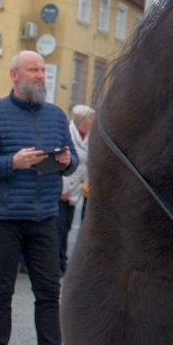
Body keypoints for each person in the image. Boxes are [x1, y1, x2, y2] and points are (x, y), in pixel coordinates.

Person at [0, 51, 78, 345]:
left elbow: (69, 161)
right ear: (14, 75)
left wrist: (66, 161)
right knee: (1, 292)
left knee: (49, 294)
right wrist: (13, 162)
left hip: (44, 217)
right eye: (33, 70)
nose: (40, 75)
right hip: (3, 218)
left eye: (42, 70)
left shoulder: (55, 116)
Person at [56, 105, 94, 274]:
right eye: (90, 119)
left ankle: (61, 260)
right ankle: (55, 262)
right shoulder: (68, 133)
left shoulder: (88, 137)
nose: (92, 122)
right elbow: (60, 161)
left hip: (76, 189)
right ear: (82, 120)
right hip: (63, 186)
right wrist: (62, 189)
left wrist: (87, 183)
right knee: (58, 227)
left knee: (66, 227)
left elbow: (87, 164)